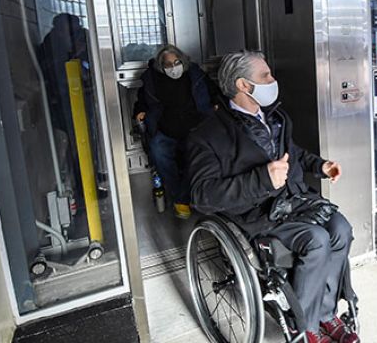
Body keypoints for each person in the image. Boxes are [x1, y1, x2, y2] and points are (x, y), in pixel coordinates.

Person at [185, 51, 360, 343]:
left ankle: (326, 315)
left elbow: (295, 154)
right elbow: (202, 195)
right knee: (316, 240)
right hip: (257, 214)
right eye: (265, 76)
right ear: (243, 85)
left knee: (341, 229)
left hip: (296, 202)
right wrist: (263, 178)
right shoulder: (208, 135)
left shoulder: (275, 117)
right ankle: (304, 327)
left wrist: (321, 166)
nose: (272, 80)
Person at [134, 45, 221, 219]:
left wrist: (217, 103)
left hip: (196, 128)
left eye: (176, 62)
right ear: (161, 66)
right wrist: (139, 112)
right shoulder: (153, 80)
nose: (173, 67)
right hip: (167, 129)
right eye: (168, 64)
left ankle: (183, 198)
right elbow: (141, 101)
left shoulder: (195, 75)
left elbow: (214, 92)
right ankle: (180, 196)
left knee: (199, 155)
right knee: (158, 152)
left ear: (183, 61)